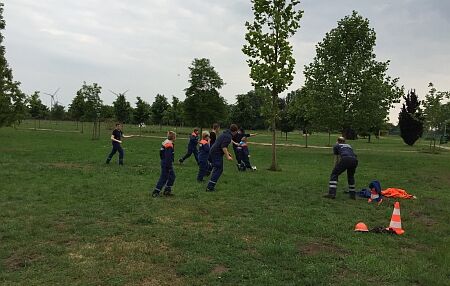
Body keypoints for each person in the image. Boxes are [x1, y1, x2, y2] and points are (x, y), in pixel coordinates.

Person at [206, 124, 239, 192]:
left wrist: (227, 153)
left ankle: (210, 185)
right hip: (216, 153)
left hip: (214, 151)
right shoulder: (228, 136)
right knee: (218, 169)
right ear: (235, 131)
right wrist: (227, 156)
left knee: (217, 168)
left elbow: (221, 145)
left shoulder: (225, 133)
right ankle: (210, 187)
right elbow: (223, 147)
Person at [152, 131, 177, 197]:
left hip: (165, 162)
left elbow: (161, 153)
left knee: (172, 176)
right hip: (167, 164)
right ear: (173, 137)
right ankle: (156, 192)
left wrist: (163, 159)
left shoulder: (166, 142)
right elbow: (168, 156)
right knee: (164, 177)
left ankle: (167, 191)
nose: (176, 138)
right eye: (175, 136)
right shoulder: (169, 144)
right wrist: (168, 166)